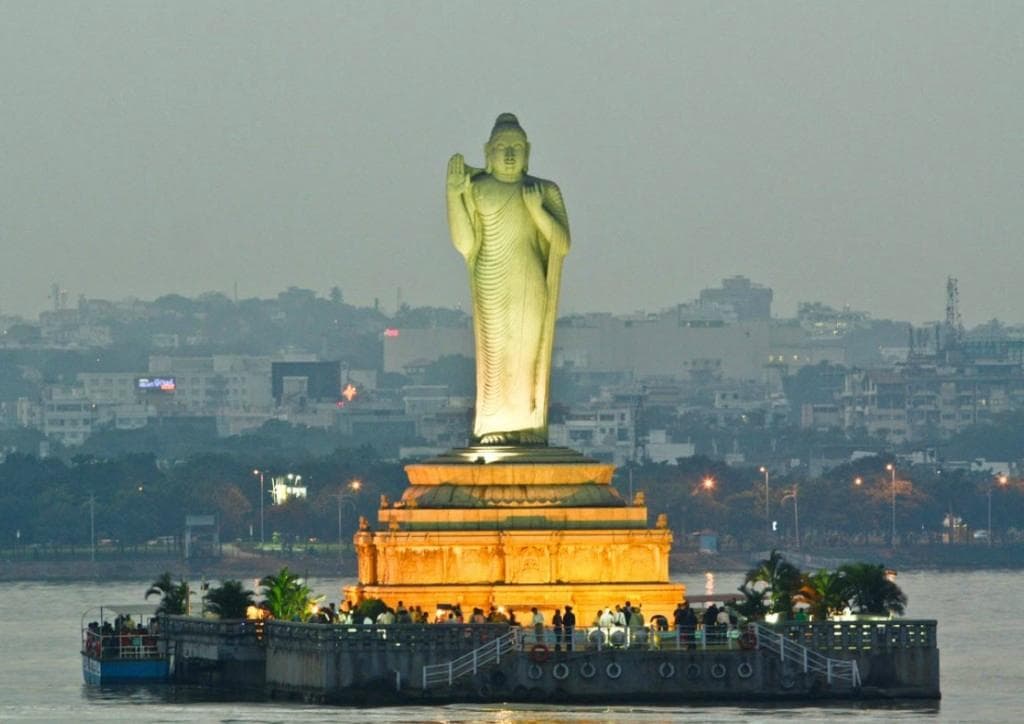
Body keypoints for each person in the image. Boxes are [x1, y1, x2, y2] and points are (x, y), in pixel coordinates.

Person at [446, 113, 571, 445]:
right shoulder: (478, 189)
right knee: (496, 352)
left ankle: (527, 424)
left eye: (517, 147)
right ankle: (493, 424)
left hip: (529, 280)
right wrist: (454, 196)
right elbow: (466, 244)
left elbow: (562, 244)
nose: (510, 154)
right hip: (491, 276)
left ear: (528, 152)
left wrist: (537, 210)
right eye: (502, 148)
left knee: (525, 351)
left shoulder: (543, 190)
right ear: (489, 152)